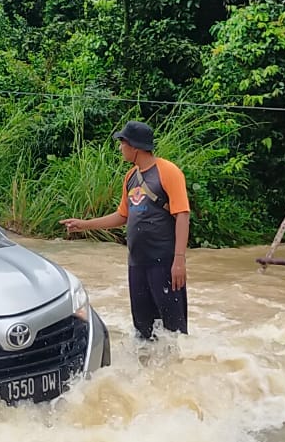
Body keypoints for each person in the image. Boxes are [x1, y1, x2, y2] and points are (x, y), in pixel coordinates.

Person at [60, 121, 191, 340]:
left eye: (122, 143)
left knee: (174, 331)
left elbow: (183, 215)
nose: (120, 148)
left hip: (165, 263)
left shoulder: (168, 172)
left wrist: (179, 261)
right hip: (137, 263)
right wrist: (84, 224)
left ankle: (178, 369)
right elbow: (123, 215)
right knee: (143, 329)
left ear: (134, 146)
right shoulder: (131, 177)